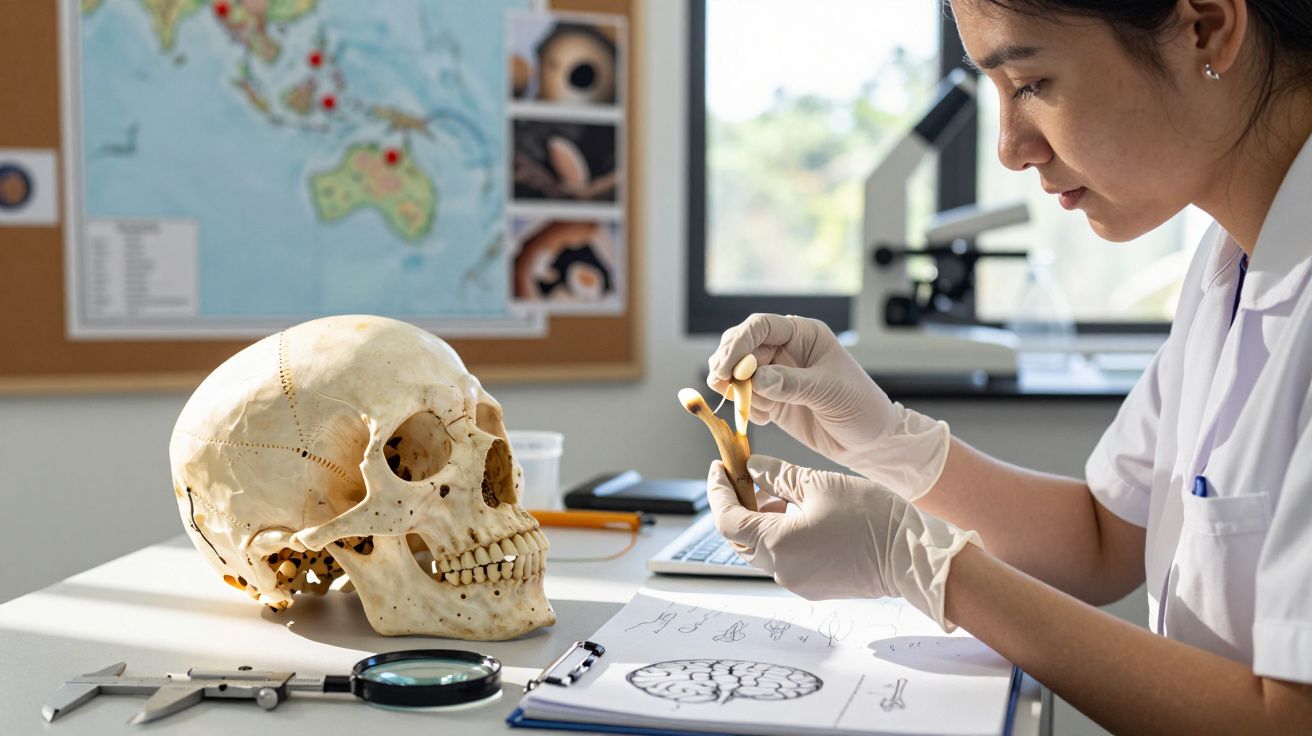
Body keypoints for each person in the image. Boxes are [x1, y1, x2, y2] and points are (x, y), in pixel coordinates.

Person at [704, 1, 1312, 731]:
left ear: (1205, 28)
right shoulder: (1229, 263)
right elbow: (1103, 539)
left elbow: (1286, 720)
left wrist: (926, 567)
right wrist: (885, 441)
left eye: (1028, 82)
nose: (1010, 149)